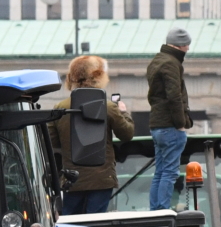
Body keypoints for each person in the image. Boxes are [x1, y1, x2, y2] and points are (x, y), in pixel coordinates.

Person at [50, 54, 136, 215]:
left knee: (71, 224)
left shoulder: (60, 108)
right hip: (101, 179)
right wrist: (124, 113)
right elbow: (127, 134)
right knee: (96, 223)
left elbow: (52, 142)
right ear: (98, 76)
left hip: (72, 179)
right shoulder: (109, 106)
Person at [146, 27, 194, 211]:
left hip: (157, 125)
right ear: (180, 45)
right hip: (170, 126)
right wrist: (181, 123)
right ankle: (163, 210)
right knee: (170, 172)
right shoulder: (171, 63)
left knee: (160, 172)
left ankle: (155, 210)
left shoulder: (156, 61)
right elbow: (174, 96)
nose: (188, 49)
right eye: (186, 45)